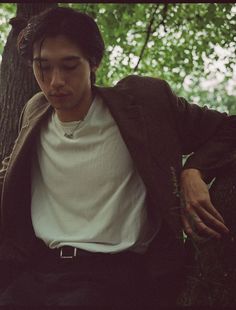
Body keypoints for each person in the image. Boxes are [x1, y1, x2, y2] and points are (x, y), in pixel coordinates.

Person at [0, 6, 235, 307]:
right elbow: (9, 174)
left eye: (70, 65)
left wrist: (195, 171)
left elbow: (228, 128)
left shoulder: (143, 104)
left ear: (94, 63)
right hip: (37, 271)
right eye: (43, 66)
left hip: (115, 276)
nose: (55, 81)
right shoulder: (35, 112)